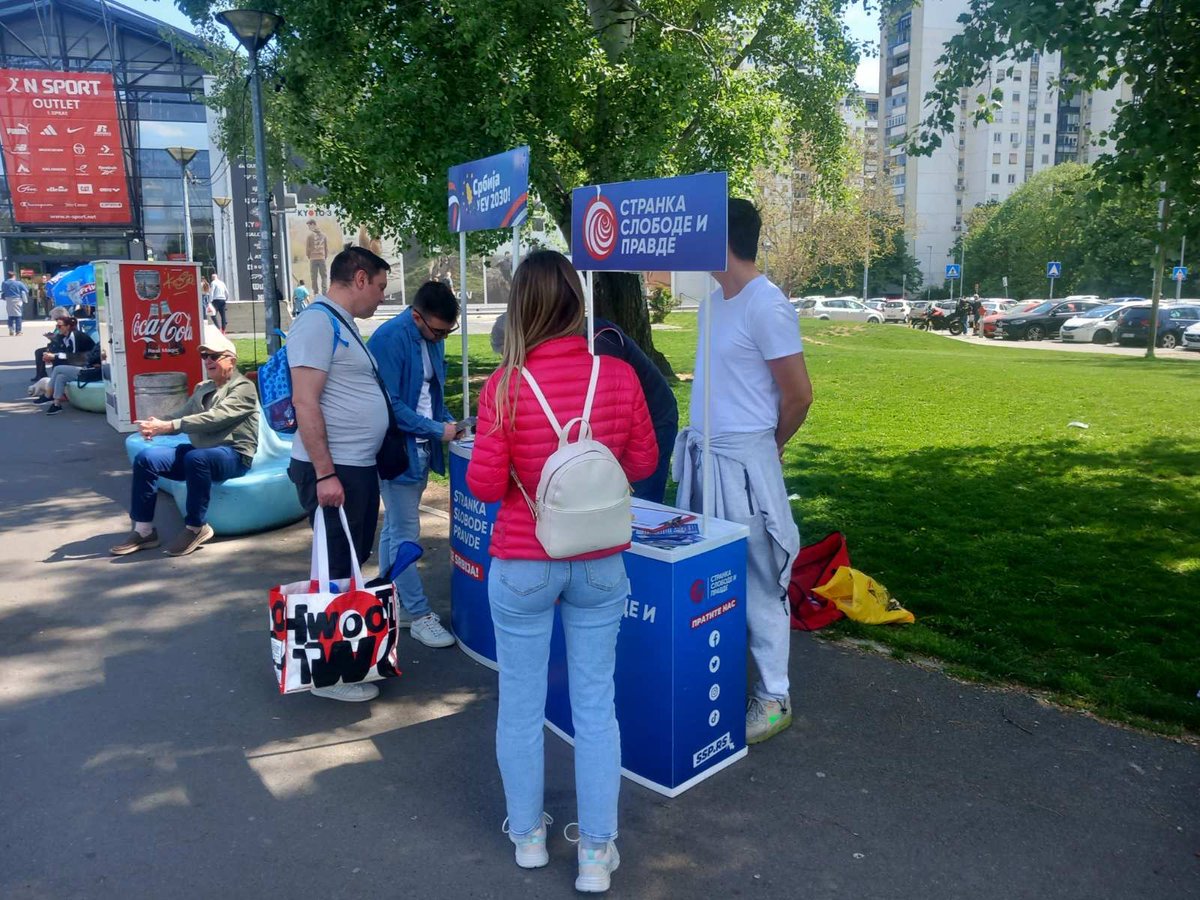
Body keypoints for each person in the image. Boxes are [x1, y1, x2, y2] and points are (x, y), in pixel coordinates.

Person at [467, 250, 657, 893]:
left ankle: (527, 836)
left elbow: (486, 485)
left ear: (520, 306)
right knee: (595, 705)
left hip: (523, 561)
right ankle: (597, 853)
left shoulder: (504, 385)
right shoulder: (619, 376)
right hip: (599, 560)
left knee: (520, 707)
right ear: (576, 303)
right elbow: (639, 463)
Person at [673, 198, 812, 746]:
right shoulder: (713, 303)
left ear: (719, 239)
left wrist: (767, 450)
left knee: (758, 581)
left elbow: (799, 396)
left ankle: (774, 696)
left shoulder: (766, 303)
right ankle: (720, 678)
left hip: (745, 462)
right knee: (710, 577)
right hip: (708, 460)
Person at [287, 246, 391, 703]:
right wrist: (326, 474)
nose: (382, 298)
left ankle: (344, 660)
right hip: (335, 469)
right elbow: (305, 401)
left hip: (353, 466)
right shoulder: (317, 323)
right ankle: (331, 676)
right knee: (334, 567)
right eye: (382, 287)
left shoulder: (338, 322)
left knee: (348, 564)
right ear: (361, 278)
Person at [490, 312, 678, 503]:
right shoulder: (562, 337)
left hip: (654, 418)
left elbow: (602, 403)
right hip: (620, 418)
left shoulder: (598, 340)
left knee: (636, 498)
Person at [109, 327, 259, 557]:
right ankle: (144, 531)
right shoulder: (203, 388)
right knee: (145, 459)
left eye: (213, 356)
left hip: (233, 455)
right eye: (204, 356)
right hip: (201, 453)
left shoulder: (244, 388)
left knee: (195, 458)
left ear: (232, 360)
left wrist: (168, 426)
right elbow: (181, 414)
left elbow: (215, 418)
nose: (207, 360)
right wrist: (155, 424)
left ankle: (196, 527)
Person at [368, 280, 460, 649]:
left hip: (420, 447)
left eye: (447, 332)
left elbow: (429, 395)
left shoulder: (429, 337)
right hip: (398, 451)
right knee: (406, 534)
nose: (441, 338)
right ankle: (418, 614)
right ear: (417, 316)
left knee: (394, 529)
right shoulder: (390, 339)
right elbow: (390, 406)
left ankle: (394, 600)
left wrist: (452, 423)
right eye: (437, 331)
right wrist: (438, 429)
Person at [39, 345, 108, 414]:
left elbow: (90, 358)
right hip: (87, 368)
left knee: (58, 368)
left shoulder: (102, 344)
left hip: (90, 371)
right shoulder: (98, 344)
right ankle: (56, 404)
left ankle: (48, 395)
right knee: (61, 377)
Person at [36, 314, 95, 385]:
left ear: (68, 326)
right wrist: (49, 355)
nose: (57, 328)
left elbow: (73, 356)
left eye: (59, 326)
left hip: (87, 364)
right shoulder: (62, 336)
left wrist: (54, 356)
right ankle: (51, 392)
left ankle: (49, 389)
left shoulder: (76, 336)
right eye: (56, 326)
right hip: (77, 361)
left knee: (58, 368)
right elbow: (58, 350)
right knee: (59, 374)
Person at [305, 219, 329, 294]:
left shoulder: (309, 236)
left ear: (313, 224)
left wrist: (309, 256)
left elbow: (307, 248)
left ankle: (316, 292)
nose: (309, 227)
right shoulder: (324, 235)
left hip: (313, 258)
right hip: (322, 258)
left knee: (314, 277)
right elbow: (326, 248)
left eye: (309, 225)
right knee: (324, 276)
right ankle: (324, 292)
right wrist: (324, 256)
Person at [4, 271, 29, 335]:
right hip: (17, 300)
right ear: (14, 276)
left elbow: (3, 291)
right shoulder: (18, 283)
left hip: (8, 300)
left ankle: (11, 329)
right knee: (18, 316)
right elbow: (26, 290)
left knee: (10, 315)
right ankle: (18, 331)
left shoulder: (4, 283)